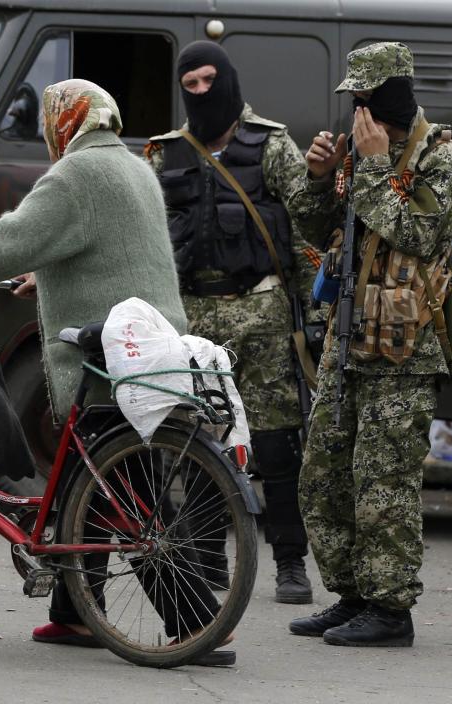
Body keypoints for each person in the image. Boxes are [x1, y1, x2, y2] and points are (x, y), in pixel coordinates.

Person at [0, 79, 233, 666]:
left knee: (130, 502)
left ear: (62, 122)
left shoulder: (75, 175)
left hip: (107, 361)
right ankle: (75, 613)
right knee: (86, 487)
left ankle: (198, 624)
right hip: (148, 349)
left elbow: (3, 243)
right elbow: (117, 247)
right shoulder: (133, 166)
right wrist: (45, 275)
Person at [287, 42, 452, 646]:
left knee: (383, 482)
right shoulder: (361, 153)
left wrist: (369, 167)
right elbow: (316, 231)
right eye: (355, 99)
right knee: (324, 475)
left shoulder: (441, 154)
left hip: (405, 348)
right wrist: (319, 179)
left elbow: (419, 233)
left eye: (368, 98)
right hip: (347, 338)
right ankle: (353, 596)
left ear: (394, 94)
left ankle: (391, 611)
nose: (359, 111)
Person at [144, 41, 318, 604]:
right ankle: (207, 561)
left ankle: (290, 564)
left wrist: (315, 315)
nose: (201, 92)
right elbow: (139, 230)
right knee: (200, 439)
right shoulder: (164, 153)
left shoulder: (272, 143)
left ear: (228, 79)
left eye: (208, 80)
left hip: (260, 311)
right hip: (192, 314)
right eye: (190, 84)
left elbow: (307, 224)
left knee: (275, 443)